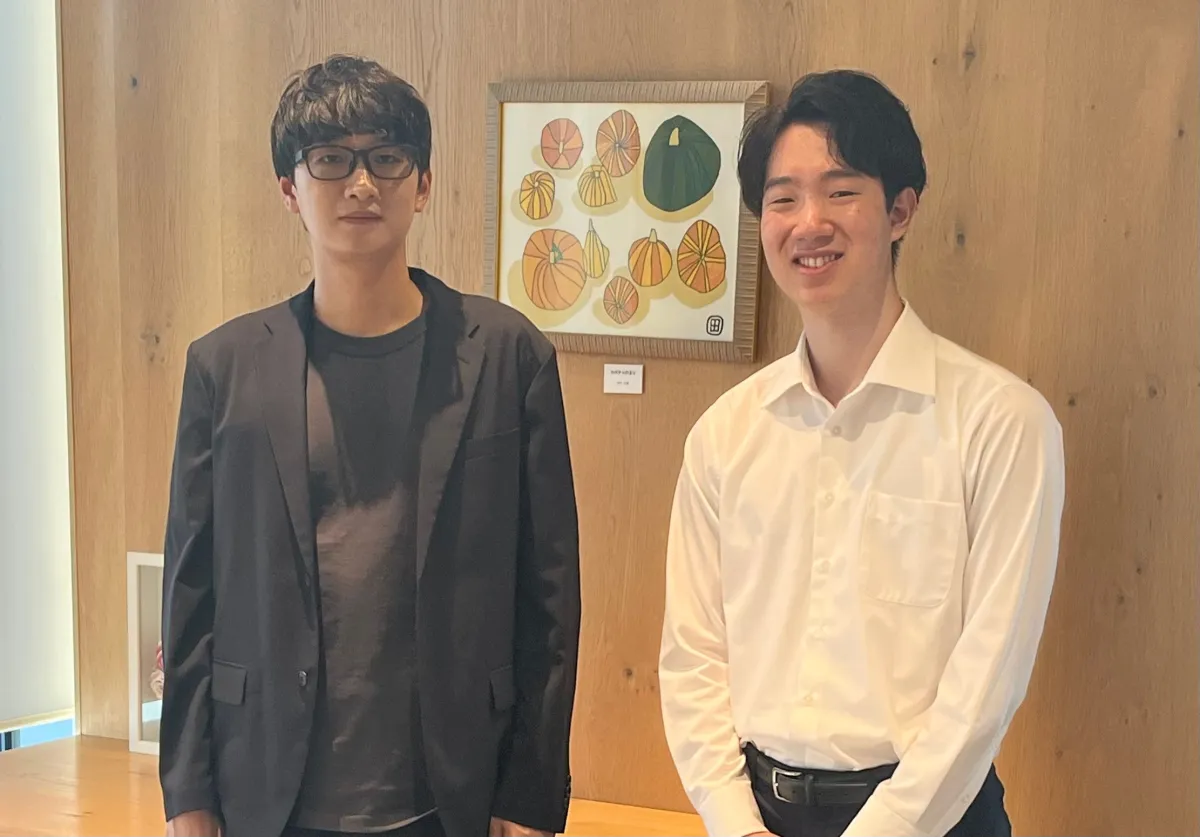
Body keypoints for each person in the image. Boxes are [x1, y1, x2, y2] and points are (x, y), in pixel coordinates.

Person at [158, 54, 581, 837]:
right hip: (267, 793)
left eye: (387, 159)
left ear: (423, 185)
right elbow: (190, 596)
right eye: (330, 159)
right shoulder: (224, 367)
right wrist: (187, 792)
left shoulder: (506, 355)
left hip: (453, 791)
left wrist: (530, 792)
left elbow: (549, 597)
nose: (361, 184)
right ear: (290, 188)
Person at [658, 69, 1066, 837]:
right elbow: (693, 655)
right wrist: (735, 822)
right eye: (783, 199)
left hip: (934, 818)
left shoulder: (1002, 422)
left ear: (900, 209)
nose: (809, 222)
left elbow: (988, 678)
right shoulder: (725, 433)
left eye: (841, 191)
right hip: (757, 815)